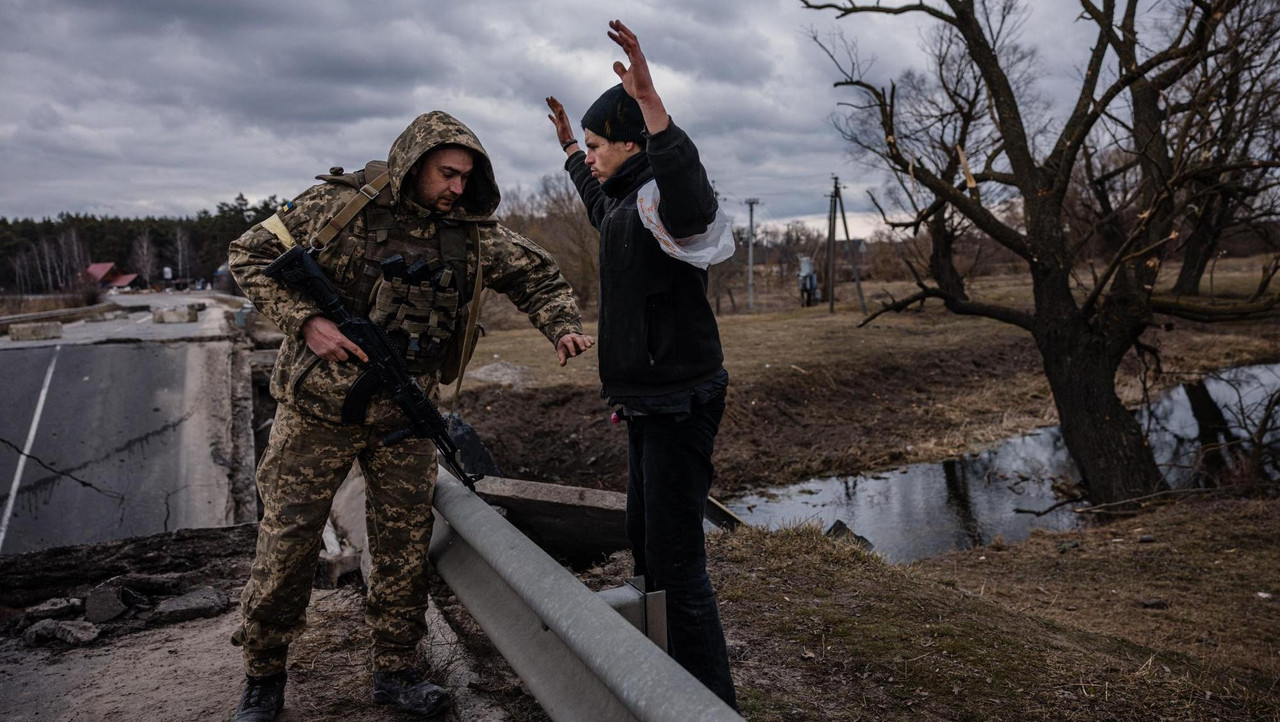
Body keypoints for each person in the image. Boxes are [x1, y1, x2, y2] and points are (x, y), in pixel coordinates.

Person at [226, 110, 593, 721]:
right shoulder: (341, 208)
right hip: (318, 411)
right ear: (414, 164)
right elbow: (249, 252)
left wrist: (562, 326)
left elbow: (539, 275)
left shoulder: (472, 232)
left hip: (404, 414)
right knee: (287, 543)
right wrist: (306, 322)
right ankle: (264, 674)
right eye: (447, 174)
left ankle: (396, 667)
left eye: (465, 177)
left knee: (403, 544)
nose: (456, 187)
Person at [546, 20, 738, 710]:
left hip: (680, 399)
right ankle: (668, 685)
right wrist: (570, 146)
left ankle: (711, 705)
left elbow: (692, 194)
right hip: (646, 399)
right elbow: (596, 199)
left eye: (599, 145)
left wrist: (654, 106)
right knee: (647, 546)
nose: (593, 157)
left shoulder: (665, 199)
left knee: (678, 564)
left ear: (632, 142)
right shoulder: (626, 202)